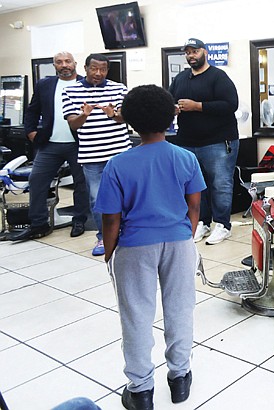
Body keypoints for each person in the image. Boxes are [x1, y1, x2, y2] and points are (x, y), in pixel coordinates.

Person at [94, 84, 205, 409]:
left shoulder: (118, 165)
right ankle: (180, 378)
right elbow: (194, 206)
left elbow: (111, 220)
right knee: (180, 309)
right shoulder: (186, 157)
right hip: (179, 242)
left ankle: (141, 390)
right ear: (172, 115)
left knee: (136, 316)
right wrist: (186, 236)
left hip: (134, 246)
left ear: (128, 120)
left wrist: (112, 254)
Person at [10, 51, 89, 242]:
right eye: (59, 62)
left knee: (81, 184)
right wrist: (30, 132)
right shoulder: (45, 84)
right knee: (37, 180)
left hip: (78, 143)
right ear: (54, 65)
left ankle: (79, 220)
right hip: (50, 143)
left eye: (68, 61)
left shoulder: (85, 85)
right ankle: (38, 224)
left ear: (75, 63)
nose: (64, 65)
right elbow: (32, 110)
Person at [168, 38, 239, 245]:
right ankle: (202, 222)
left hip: (218, 142)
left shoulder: (218, 77)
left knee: (221, 185)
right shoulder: (181, 78)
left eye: (195, 51)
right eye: (188, 52)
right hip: (188, 142)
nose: (191, 55)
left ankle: (223, 225)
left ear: (204, 52)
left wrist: (198, 106)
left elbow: (230, 104)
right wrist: (173, 108)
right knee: (197, 186)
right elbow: (169, 100)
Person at [62, 53, 131, 256]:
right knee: (97, 199)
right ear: (85, 68)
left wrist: (114, 115)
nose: (98, 73)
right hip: (91, 156)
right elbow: (73, 124)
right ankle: (104, 237)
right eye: (94, 69)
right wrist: (85, 114)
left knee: (126, 196)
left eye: (103, 69)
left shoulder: (118, 88)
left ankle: (126, 233)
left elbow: (126, 117)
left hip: (120, 154)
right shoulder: (70, 91)